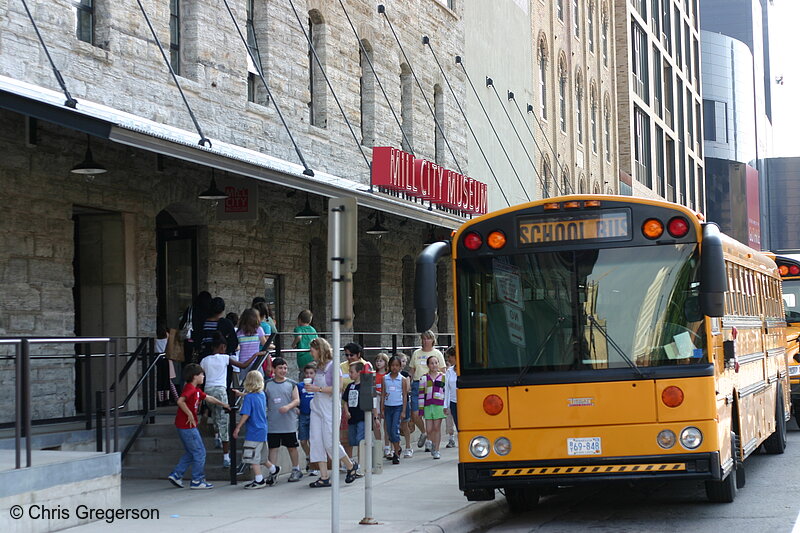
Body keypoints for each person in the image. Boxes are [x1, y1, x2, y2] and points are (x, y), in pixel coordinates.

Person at [200, 331, 262, 467]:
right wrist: (255, 356)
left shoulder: (205, 360)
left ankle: (215, 432)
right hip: (220, 390)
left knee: (215, 413)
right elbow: (243, 365)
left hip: (208, 390)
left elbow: (200, 375)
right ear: (222, 347)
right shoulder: (225, 358)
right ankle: (226, 457)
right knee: (224, 419)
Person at [305, 337, 360, 487]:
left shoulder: (333, 366)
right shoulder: (319, 367)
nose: (311, 353)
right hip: (317, 407)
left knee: (330, 442)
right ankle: (324, 476)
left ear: (319, 350)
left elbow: (338, 388)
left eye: (312, 350)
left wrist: (318, 389)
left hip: (330, 408)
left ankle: (350, 465)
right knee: (316, 440)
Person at [167, 363, 229, 489]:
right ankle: (197, 480)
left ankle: (177, 474)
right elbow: (180, 401)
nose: (203, 377)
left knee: (191, 452)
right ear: (195, 376)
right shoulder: (189, 388)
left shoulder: (196, 390)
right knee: (200, 452)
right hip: (187, 426)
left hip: (184, 426)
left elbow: (209, 398)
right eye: (201, 374)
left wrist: (223, 404)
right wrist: (189, 414)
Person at [233, 371, 280, 489]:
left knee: (252, 456)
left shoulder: (249, 398)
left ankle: (259, 479)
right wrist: (242, 394)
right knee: (262, 456)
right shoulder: (261, 395)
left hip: (253, 431)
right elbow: (252, 397)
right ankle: (274, 469)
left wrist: (238, 427)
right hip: (263, 429)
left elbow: (246, 414)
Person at [266, 357, 303, 482]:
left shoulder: (292, 384)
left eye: (285, 368)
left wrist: (288, 407)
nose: (283, 370)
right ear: (274, 369)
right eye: (280, 368)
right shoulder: (267, 384)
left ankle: (296, 469)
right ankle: (273, 472)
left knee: (292, 447)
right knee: (273, 448)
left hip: (289, 422)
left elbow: (297, 400)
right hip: (273, 422)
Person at [408, 331, 445, 451]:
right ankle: (424, 432)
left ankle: (431, 442)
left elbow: (443, 370)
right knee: (415, 413)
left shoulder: (437, 353)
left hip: (432, 383)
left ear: (432, 340)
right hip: (418, 382)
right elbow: (412, 370)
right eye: (423, 339)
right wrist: (409, 382)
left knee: (432, 417)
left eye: (428, 339)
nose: (425, 341)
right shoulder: (416, 353)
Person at [340, 343, 367, 460]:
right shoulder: (342, 366)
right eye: (346, 355)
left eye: (352, 355)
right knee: (347, 436)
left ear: (358, 354)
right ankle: (349, 460)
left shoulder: (366, 366)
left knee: (361, 436)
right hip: (347, 407)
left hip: (361, 410)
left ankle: (361, 461)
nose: (349, 357)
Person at [381, 355, 408, 465]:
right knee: (388, 430)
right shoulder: (385, 378)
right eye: (392, 365)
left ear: (400, 367)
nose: (394, 368)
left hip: (398, 406)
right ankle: (397, 447)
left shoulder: (402, 379)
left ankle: (396, 453)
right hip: (388, 406)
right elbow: (383, 394)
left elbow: (405, 395)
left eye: (397, 365)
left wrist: (403, 411)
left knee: (394, 429)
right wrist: (382, 407)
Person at [418, 355, 446, 459]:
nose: (434, 365)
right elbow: (421, 395)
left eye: (436, 363)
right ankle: (430, 440)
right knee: (429, 429)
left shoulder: (443, 377)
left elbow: (445, 392)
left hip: (439, 405)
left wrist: (446, 406)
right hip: (428, 406)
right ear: (428, 365)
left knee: (436, 428)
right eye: (431, 363)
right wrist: (421, 410)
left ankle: (436, 449)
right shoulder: (424, 378)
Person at [236, 308, 270, 384]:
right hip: (256, 362)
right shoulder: (259, 330)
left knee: (244, 384)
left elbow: (236, 347)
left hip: (243, 362)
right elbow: (266, 347)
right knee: (259, 384)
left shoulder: (239, 332)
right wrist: (268, 363)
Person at [342, 362, 366, 466]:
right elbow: (345, 401)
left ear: (359, 372)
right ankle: (351, 460)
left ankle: (361, 462)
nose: (350, 374)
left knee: (360, 439)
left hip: (362, 417)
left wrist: (375, 417)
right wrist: (346, 411)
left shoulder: (365, 385)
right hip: (352, 417)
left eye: (352, 372)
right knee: (351, 440)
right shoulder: (350, 386)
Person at [297, 363, 318, 475]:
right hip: (303, 415)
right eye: (307, 373)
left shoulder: (317, 386)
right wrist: (296, 407)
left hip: (314, 414)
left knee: (312, 440)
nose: (309, 375)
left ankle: (314, 463)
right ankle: (309, 456)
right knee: (303, 440)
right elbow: (296, 398)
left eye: (311, 373)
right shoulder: (300, 386)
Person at [372, 353, 390, 458]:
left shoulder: (387, 375)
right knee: (376, 422)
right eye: (377, 360)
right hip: (376, 398)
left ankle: (387, 446)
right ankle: (379, 444)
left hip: (386, 398)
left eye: (381, 361)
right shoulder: (374, 375)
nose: (378, 363)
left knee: (386, 424)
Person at [398, 353, 414, 457]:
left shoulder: (405, 374)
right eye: (400, 361)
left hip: (403, 402)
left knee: (405, 425)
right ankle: (395, 447)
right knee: (394, 427)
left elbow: (407, 389)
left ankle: (408, 446)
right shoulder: (389, 375)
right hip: (392, 403)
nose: (402, 363)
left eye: (404, 361)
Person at [443, 346, 458, 448]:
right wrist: (445, 405)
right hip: (453, 402)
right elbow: (447, 389)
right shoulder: (449, 371)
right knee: (457, 426)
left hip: (464, 402)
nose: (448, 360)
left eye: (450, 357)